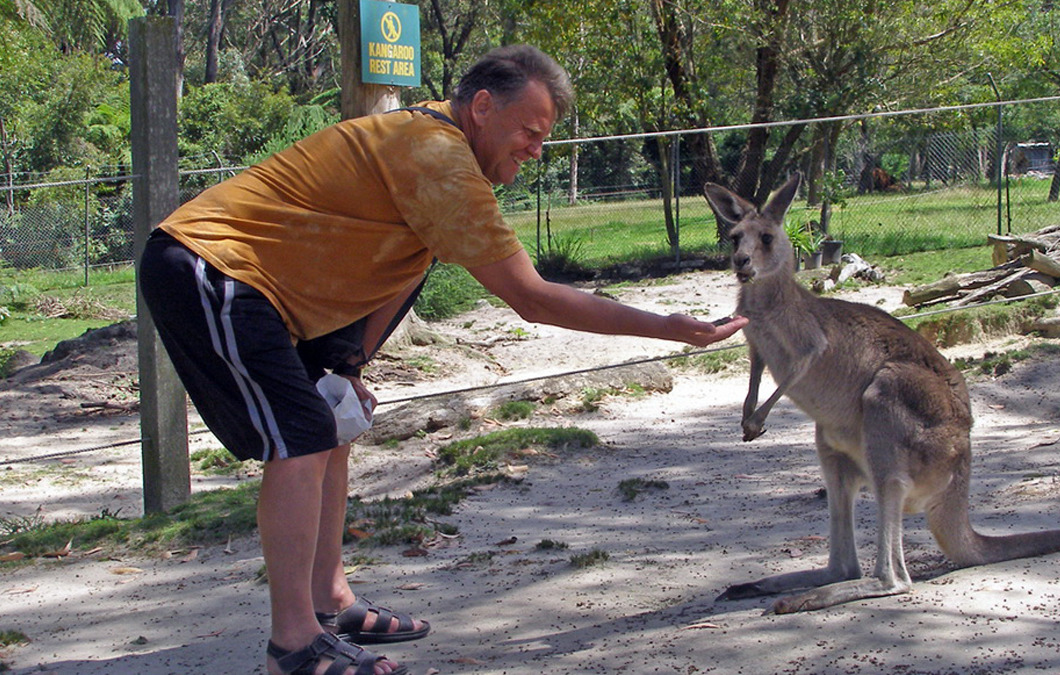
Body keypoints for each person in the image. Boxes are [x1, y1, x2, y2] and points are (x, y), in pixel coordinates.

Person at [138, 44, 747, 675]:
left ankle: (329, 600)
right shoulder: (437, 158)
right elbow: (532, 299)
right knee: (302, 435)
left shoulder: (438, 147)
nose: (537, 149)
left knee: (333, 419)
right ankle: (293, 644)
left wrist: (347, 363)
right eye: (530, 132)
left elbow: (404, 264)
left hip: (266, 287)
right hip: (211, 268)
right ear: (482, 107)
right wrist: (671, 328)